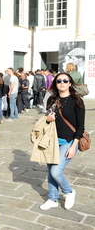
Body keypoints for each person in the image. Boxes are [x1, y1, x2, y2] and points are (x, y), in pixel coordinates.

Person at [40, 73, 85, 210]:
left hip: (68, 142)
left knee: (56, 171)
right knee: (50, 171)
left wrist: (73, 146)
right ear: (55, 83)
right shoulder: (52, 100)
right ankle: (53, 199)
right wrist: (48, 119)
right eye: (59, 81)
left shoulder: (77, 101)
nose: (62, 83)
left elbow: (80, 127)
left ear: (70, 83)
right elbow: (47, 121)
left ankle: (68, 191)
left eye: (65, 81)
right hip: (51, 141)